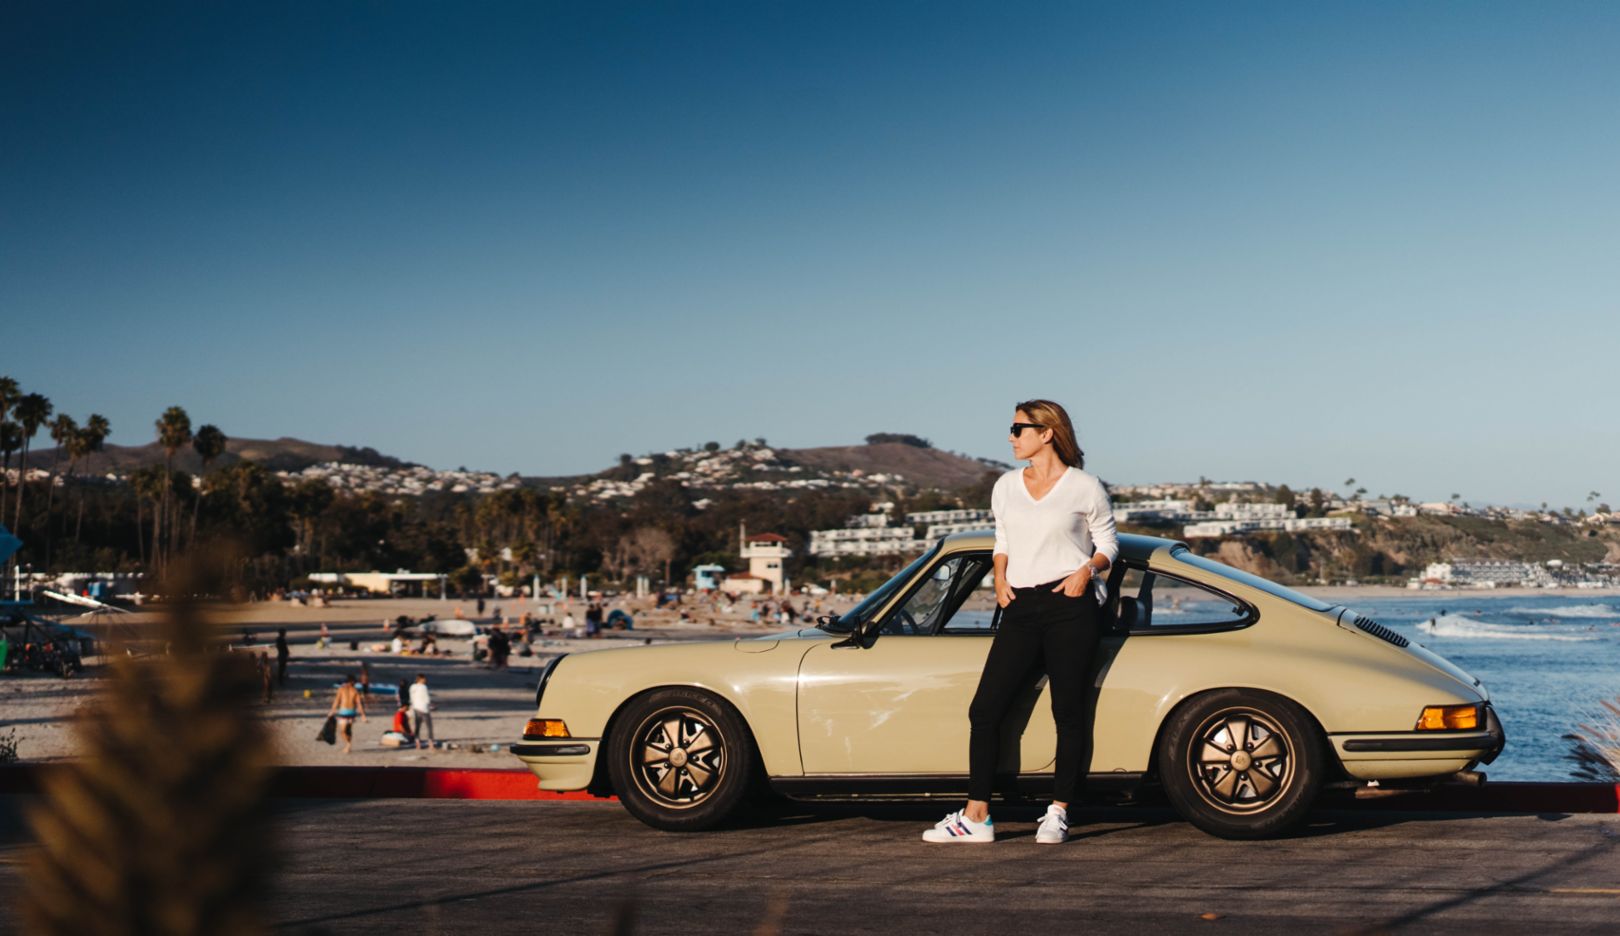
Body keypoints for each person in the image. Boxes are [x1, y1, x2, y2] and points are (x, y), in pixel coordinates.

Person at [923, 399, 1117, 846]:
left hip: (1071, 605)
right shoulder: (1006, 485)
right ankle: (976, 817)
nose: (1010, 437)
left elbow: (1108, 542)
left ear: (1046, 432)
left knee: (1067, 713)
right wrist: (999, 572)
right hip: (1020, 609)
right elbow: (1003, 536)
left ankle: (1058, 812)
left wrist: (1087, 571)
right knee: (985, 709)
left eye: (1018, 428)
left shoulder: (1084, 487)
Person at [328, 673, 368, 754]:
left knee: (347, 730)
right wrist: (332, 711)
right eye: (354, 682)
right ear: (351, 681)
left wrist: (363, 715)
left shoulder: (355, 691)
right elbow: (337, 701)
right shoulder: (341, 689)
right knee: (343, 731)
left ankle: (348, 745)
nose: (355, 684)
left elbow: (359, 704)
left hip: (351, 712)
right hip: (344, 712)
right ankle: (348, 744)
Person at [409, 673, 435, 751]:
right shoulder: (423, 687)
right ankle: (430, 743)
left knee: (417, 726)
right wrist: (431, 706)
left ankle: (417, 743)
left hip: (416, 708)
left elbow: (411, 698)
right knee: (429, 726)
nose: (425, 680)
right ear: (421, 679)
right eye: (424, 679)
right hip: (424, 708)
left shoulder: (412, 687)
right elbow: (426, 698)